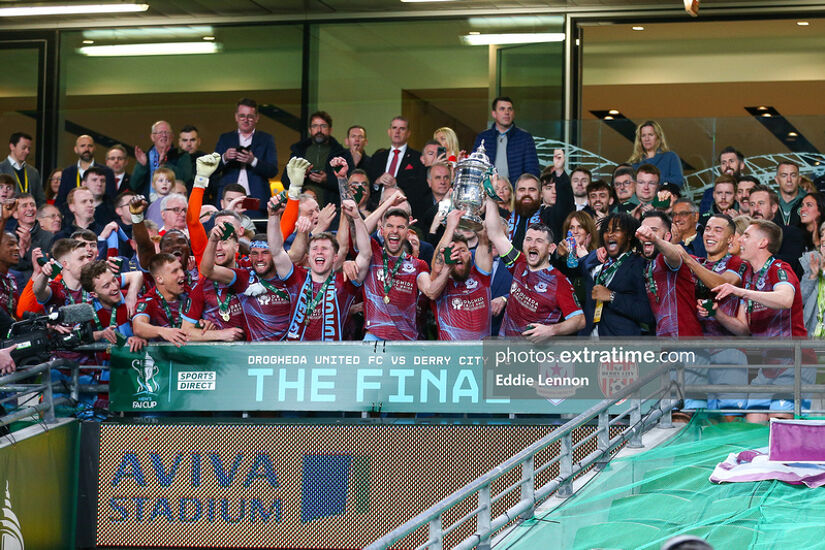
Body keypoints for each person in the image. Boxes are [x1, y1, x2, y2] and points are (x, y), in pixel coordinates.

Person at [712, 219, 809, 421]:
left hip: (794, 363)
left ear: (763, 243)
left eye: (746, 235)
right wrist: (717, 314)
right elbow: (743, 329)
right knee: (752, 424)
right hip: (768, 368)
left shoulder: (779, 268)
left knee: (779, 420)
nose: (740, 239)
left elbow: (785, 299)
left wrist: (740, 292)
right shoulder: (749, 276)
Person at [485, 199, 584, 342]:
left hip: (532, 357)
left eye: (539, 241)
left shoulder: (559, 281)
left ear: (550, 248)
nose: (532, 244)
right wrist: (491, 199)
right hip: (505, 352)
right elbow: (495, 234)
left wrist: (551, 330)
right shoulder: (519, 263)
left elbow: (579, 320)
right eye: (529, 239)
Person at [359, 188, 433, 341]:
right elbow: (360, 231)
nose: (394, 229)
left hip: (408, 337)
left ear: (408, 227)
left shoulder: (421, 259)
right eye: (390, 224)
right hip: (375, 335)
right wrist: (387, 204)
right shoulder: (373, 250)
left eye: (400, 225)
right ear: (382, 225)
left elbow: (430, 291)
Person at [579, 212, 653, 336]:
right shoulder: (597, 259)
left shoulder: (640, 265)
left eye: (616, 230)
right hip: (588, 340)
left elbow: (647, 313)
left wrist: (612, 296)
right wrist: (559, 253)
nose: (610, 234)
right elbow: (570, 267)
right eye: (606, 230)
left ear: (629, 235)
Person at [635, 211, 702, 338]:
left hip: (687, 345)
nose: (646, 235)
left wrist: (654, 239)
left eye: (653, 230)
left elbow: (674, 255)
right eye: (643, 231)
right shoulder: (646, 266)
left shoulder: (666, 258)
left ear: (667, 236)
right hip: (665, 347)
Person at [429, 208, 493, 341]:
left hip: (482, 357)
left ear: (470, 255)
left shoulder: (481, 277)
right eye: (453, 251)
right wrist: (450, 227)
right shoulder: (440, 284)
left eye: (462, 250)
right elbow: (437, 266)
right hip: (451, 357)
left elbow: (484, 240)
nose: (458, 254)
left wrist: (473, 215)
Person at [179, 223, 248, 342]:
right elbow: (185, 332)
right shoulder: (201, 286)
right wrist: (221, 335)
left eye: (224, 242)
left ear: (236, 247)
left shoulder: (250, 270)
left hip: (259, 351)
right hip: (222, 354)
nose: (218, 248)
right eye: (215, 243)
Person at [213, 98, 278, 218]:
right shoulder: (225, 138)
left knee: (254, 231)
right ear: (236, 117)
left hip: (254, 199)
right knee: (226, 230)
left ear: (257, 118)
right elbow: (213, 168)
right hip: (229, 198)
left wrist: (253, 161)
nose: (246, 120)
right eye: (242, 116)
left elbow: (273, 170)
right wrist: (225, 157)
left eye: (250, 116)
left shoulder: (266, 139)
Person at [281, 110, 347, 206]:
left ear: (330, 129)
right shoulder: (298, 152)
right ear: (309, 130)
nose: (319, 130)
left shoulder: (341, 153)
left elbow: (349, 185)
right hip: (301, 208)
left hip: (331, 208)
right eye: (315, 126)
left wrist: (327, 180)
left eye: (323, 126)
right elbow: (285, 182)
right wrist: (300, 176)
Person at [366, 116, 425, 216]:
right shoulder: (378, 157)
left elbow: (420, 188)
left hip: (403, 211)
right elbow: (368, 183)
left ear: (408, 133)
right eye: (394, 128)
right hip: (375, 210)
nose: (397, 131)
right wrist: (377, 182)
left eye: (402, 128)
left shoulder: (417, 158)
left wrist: (396, 185)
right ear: (389, 132)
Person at [473, 96, 539, 183]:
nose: (507, 112)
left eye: (510, 109)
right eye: (502, 109)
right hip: (487, 190)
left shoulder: (525, 138)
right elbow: (475, 167)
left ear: (513, 113)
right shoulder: (483, 138)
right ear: (494, 113)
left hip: (515, 192)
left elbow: (532, 170)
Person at [132, 253, 190, 346]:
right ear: (160, 279)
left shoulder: (189, 294)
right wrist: (162, 331)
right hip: (162, 359)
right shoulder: (149, 301)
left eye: (181, 269)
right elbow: (138, 327)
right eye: (175, 271)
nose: (182, 274)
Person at [748, 184, 803, 278]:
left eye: (761, 203)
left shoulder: (790, 233)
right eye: (752, 204)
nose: (755, 209)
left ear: (774, 208)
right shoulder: (744, 235)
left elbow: (792, 265)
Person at [130, 120, 192, 198]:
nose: (164, 135)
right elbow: (134, 185)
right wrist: (142, 166)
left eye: (167, 132)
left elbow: (185, 179)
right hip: (148, 205)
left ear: (172, 136)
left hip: (172, 202)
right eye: (160, 133)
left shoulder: (181, 155)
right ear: (152, 137)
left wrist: (164, 165)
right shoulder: (146, 157)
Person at [57, 135, 116, 206]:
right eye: (82, 146)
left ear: (94, 148)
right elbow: (61, 200)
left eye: (90, 146)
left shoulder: (107, 171)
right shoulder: (67, 172)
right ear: (76, 149)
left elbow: (112, 199)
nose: (86, 149)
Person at [628, 120, 683, 188]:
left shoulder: (670, 157)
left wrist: (654, 180)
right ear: (640, 139)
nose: (647, 139)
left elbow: (678, 181)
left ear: (658, 137)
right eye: (643, 135)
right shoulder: (635, 163)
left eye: (650, 135)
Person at [0, 132, 44, 205]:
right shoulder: (1, 168)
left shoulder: (33, 172)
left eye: (29, 148)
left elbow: (40, 199)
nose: (27, 151)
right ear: (12, 146)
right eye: (23, 148)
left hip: (29, 214)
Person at [775, 161, 804, 226]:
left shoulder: (809, 202)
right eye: (784, 176)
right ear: (776, 180)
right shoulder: (770, 202)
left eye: (793, 175)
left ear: (799, 179)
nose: (789, 180)